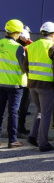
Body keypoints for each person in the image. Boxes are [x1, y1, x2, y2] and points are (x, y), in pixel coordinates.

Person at [23, 22, 54, 152]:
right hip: (46, 85)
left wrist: (30, 79)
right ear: (53, 34)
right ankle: (43, 143)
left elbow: (25, 66)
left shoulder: (31, 46)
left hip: (33, 84)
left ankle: (32, 136)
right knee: (45, 114)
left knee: (39, 111)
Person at [0, 19, 26, 148]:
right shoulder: (18, 48)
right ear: (17, 32)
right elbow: (23, 68)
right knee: (13, 113)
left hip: (0, 83)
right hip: (15, 85)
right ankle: (12, 140)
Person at [17, 27, 33, 135]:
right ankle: (20, 127)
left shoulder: (11, 47)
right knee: (23, 106)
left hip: (8, 81)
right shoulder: (24, 49)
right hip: (23, 81)